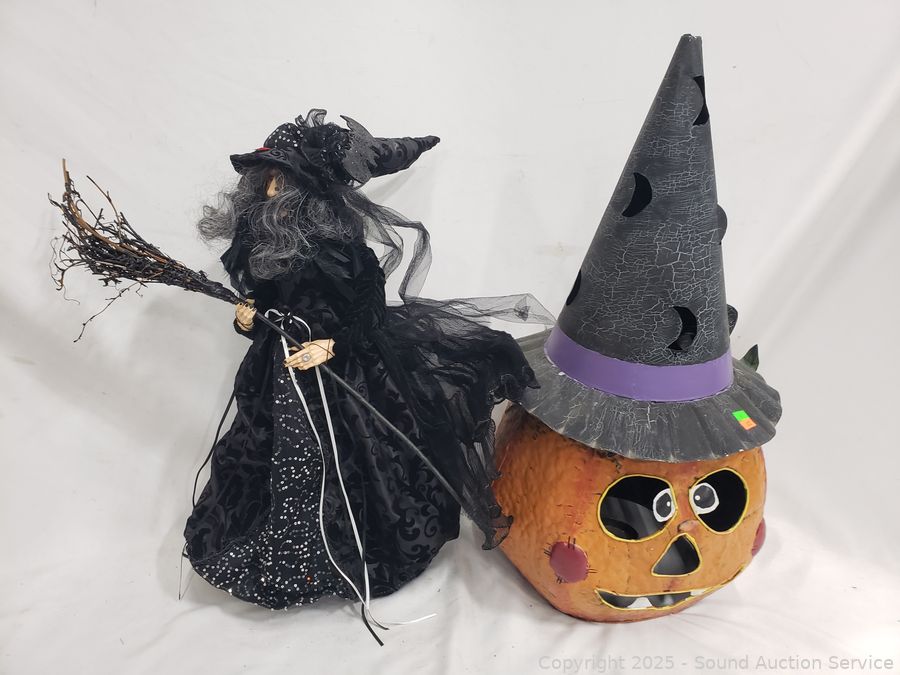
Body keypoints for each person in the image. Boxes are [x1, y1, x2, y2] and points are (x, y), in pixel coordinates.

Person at [183, 110, 548, 614]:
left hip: (339, 366)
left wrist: (331, 344)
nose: (269, 190)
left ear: (310, 191)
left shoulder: (339, 248)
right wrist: (249, 315)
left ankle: (335, 552)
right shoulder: (262, 239)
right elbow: (266, 293)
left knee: (344, 453)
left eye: (282, 180)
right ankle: (279, 549)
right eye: (267, 178)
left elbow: (368, 307)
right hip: (278, 365)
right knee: (270, 447)